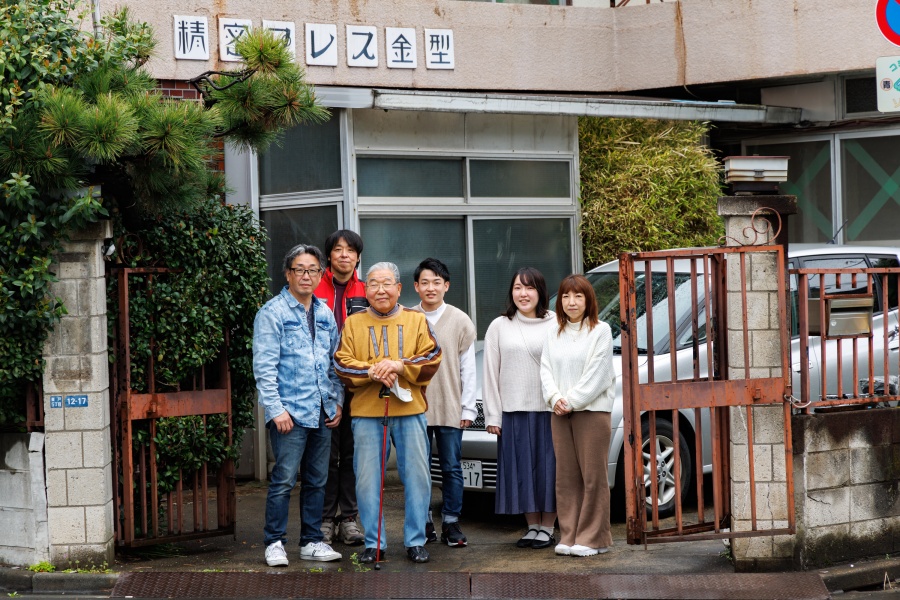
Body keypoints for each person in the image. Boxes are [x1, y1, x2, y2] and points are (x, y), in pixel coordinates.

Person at [333, 262, 443, 564]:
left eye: (387, 283)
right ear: (365, 289)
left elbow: (432, 356)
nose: (380, 290)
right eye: (373, 284)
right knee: (367, 480)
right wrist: (372, 371)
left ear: (399, 288)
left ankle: (416, 540)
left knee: (417, 477)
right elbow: (341, 362)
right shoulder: (353, 323)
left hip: (410, 410)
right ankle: (374, 543)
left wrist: (399, 366)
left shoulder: (416, 320)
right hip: (366, 413)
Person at [253, 244, 344, 566]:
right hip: (289, 413)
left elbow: (334, 363)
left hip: (322, 411)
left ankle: (311, 541)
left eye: (313, 270)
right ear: (288, 274)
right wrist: (276, 409)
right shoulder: (272, 313)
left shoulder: (324, 314)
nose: (307, 276)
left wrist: (337, 402)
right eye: (300, 269)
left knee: (318, 480)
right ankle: (274, 542)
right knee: (283, 480)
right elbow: (264, 368)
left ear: (321, 275)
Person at [482, 267, 558, 550]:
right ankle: (532, 526)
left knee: (549, 470)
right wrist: (493, 414)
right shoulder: (499, 325)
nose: (523, 294)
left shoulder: (556, 322)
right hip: (513, 410)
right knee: (522, 470)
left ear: (541, 292)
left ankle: (548, 527)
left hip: (549, 410)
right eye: (517, 288)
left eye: (529, 288)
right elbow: (490, 372)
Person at [540, 274, 615, 557]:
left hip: (591, 412)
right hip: (559, 412)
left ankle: (593, 538)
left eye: (578, 296)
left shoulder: (601, 331)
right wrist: (554, 398)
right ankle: (569, 535)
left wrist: (570, 401)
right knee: (566, 477)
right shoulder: (553, 332)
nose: (571, 302)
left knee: (593, 477)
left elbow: (598, 374)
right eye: (566, 296)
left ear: (588, 300)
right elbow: (545, 369)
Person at [411, 258, 476, 547]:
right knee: (419, 468)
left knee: (451, 466)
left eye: (437, 282)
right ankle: (423, 520)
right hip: (415, 407)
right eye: (425, 282)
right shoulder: (408, 317)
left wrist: (468, 407)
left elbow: (468, 368)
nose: (431, 287)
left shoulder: (460, 320)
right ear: (416, 286)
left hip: (451, 405)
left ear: (446, 286)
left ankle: (451, 521)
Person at [313, 229, 367, 547]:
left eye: (350, 250)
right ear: (329, 256)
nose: (344, 255)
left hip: (358, 388)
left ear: (358, 257)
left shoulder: (367, 290)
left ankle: (348, 519)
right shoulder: (314, 288)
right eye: (338, 249)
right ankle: (324, 519)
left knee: (351, 456)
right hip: (322, 388)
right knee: (325, 456)